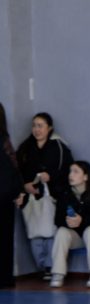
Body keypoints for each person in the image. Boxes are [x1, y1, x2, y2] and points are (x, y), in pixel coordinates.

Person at [16, 112, 74, 279]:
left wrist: (51, 177)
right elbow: (18, 172)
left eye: (40, 126)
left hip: (53, 196)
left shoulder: (59, 147)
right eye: (34, 125)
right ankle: (42, 266)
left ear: (50, 128)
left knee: (50, 232)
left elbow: (68, 171)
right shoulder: (25, 148)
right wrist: (24, 186)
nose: (37, 129)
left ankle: (51, 266)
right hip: (32, 198)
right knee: (35, 234)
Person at [49, 161, 90, 288]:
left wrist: (82, 220)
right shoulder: (65, 193)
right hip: (76, 236)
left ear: (85, 176)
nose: (71, 175)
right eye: (70, 171)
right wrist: (68, 221)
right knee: (61, 232)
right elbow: (57, 220)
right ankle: (58, 273)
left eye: (76, 172)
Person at [0, 103, 24, 288]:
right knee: (6, 238)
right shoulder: (5, 139)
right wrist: (18, 191)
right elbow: (14, 167)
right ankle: (5, 278)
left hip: (4, 194)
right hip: (6, 196)